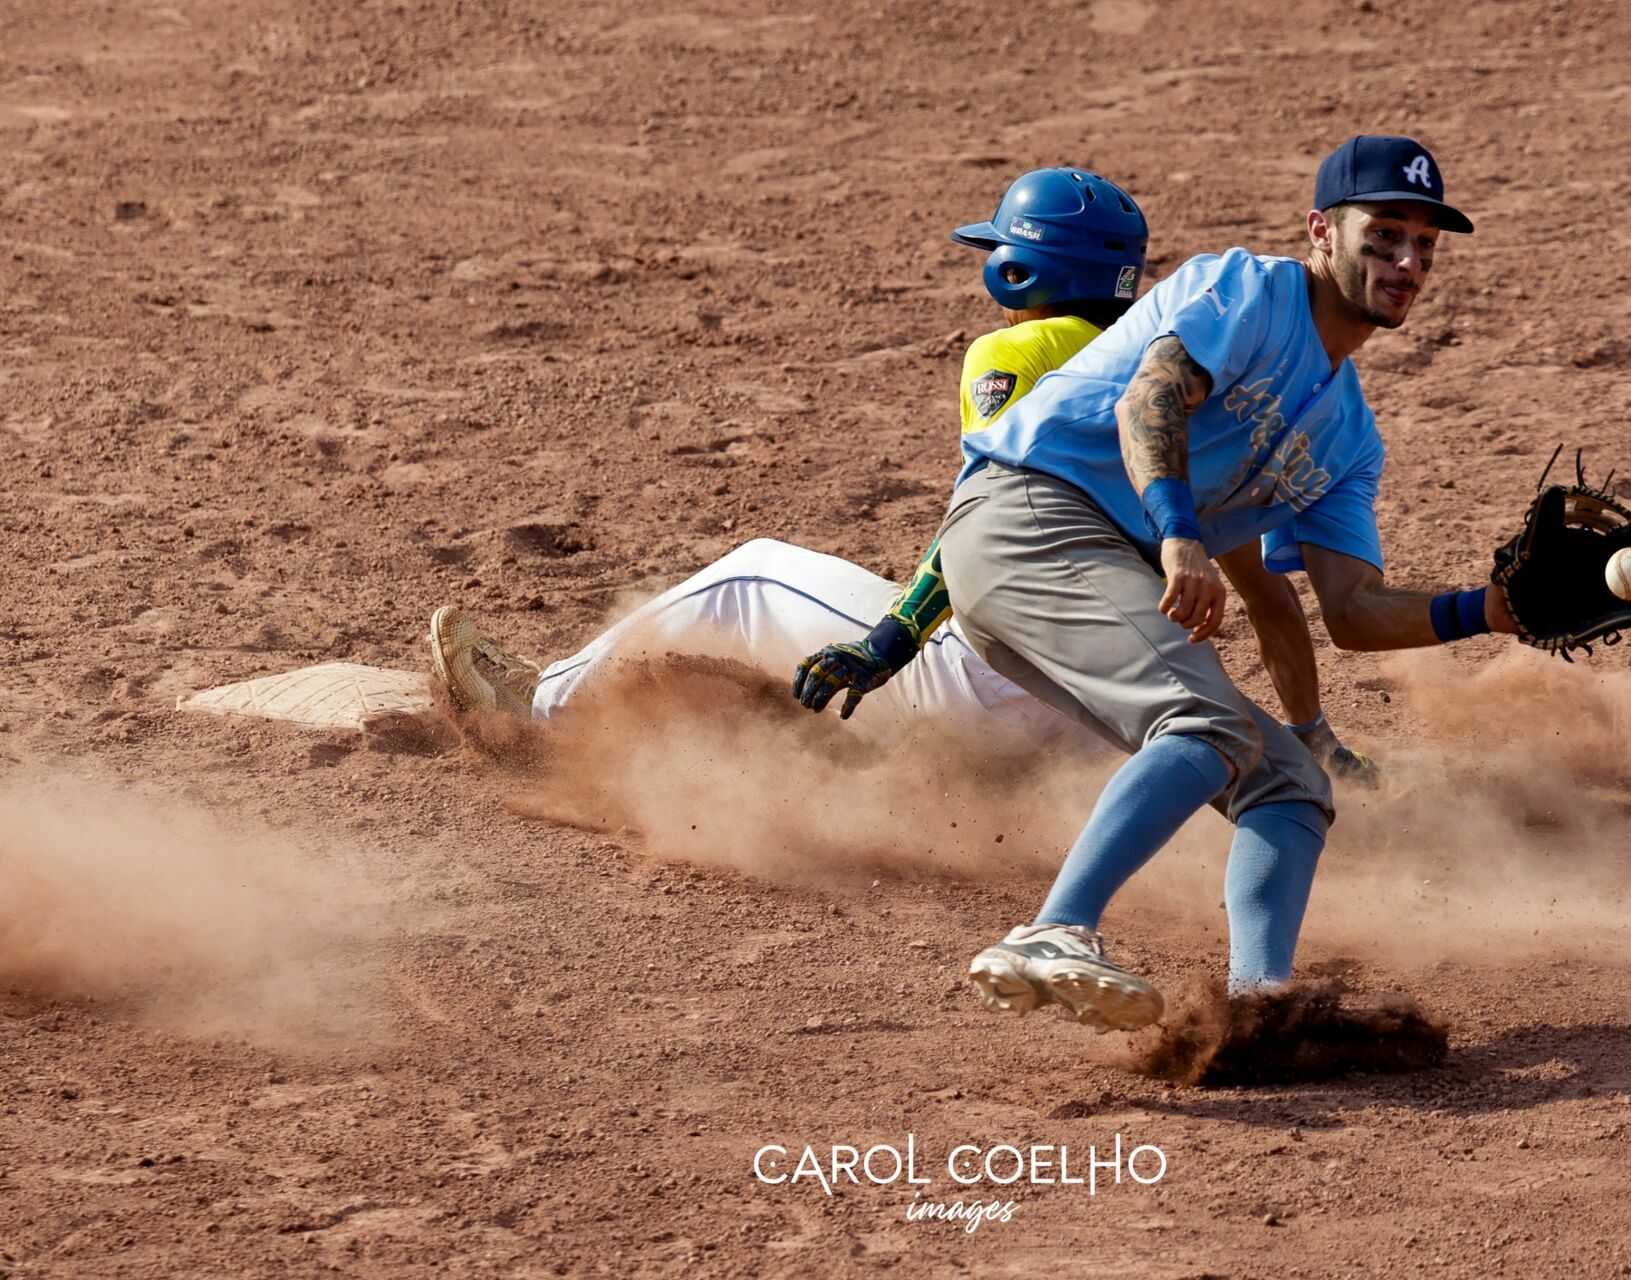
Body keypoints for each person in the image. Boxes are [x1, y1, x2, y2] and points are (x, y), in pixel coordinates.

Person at [429, 169, 1369, 775]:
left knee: (751, 572)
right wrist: (1312, 736)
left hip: (996, 677)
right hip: (1109, 717)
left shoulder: (1022, 352)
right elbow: (1272, 602)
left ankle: (539, 709)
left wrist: (896, 636)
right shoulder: (1197, 380)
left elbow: (988, 519)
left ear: (1016, 271)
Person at [913, 136, 1517, 1035]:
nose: (1406, 262)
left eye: (1424, 246)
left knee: (1288, 788)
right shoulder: (1247, 289)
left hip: (1093, 567)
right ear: (1322, 230)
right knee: (1203, 724)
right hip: (1030, 516)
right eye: (1384, 234)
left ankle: (1257, 1005)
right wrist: (1182, 536)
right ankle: (1053, 929)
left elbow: (1350, 610)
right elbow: (1148, 397)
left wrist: (1491, 611)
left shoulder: (1350, 436)